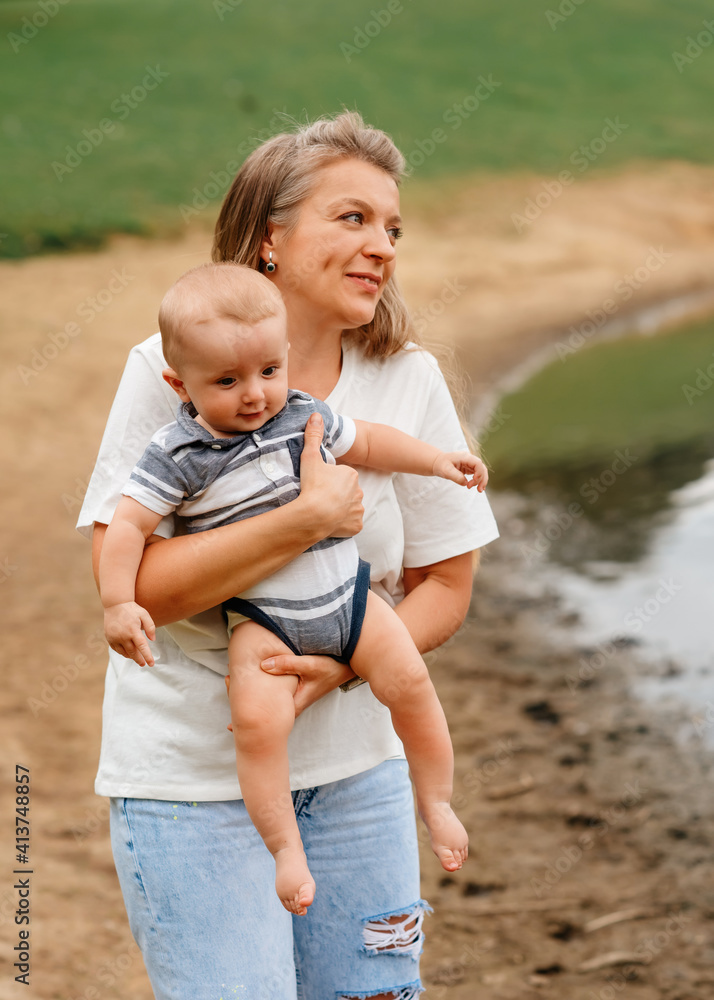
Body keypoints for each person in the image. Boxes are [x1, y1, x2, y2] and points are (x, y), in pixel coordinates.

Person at [78, 111, 499, 999]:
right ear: (270, 239)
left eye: (392, 228)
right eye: (352, 219)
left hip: (361, 781)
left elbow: (443, 587)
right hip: (191, 784)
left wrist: (334, 670)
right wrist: (303, 521)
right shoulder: (171, 367)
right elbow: (136, 582)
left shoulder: (405, 379)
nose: (381, 245)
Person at [98, 262, 490, 917]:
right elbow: (127, 528)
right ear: (179, 384)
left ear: (283, 361)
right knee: (256, 724)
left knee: (409, 682)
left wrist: (436, 460)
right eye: (227, 381)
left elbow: (371, 443)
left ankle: (438, 801)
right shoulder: (178, 453)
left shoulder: (304, 416)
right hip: (263, 622)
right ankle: (286, 849)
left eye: (268, 373)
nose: (254, 395)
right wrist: (118, 602)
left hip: (349, 596)